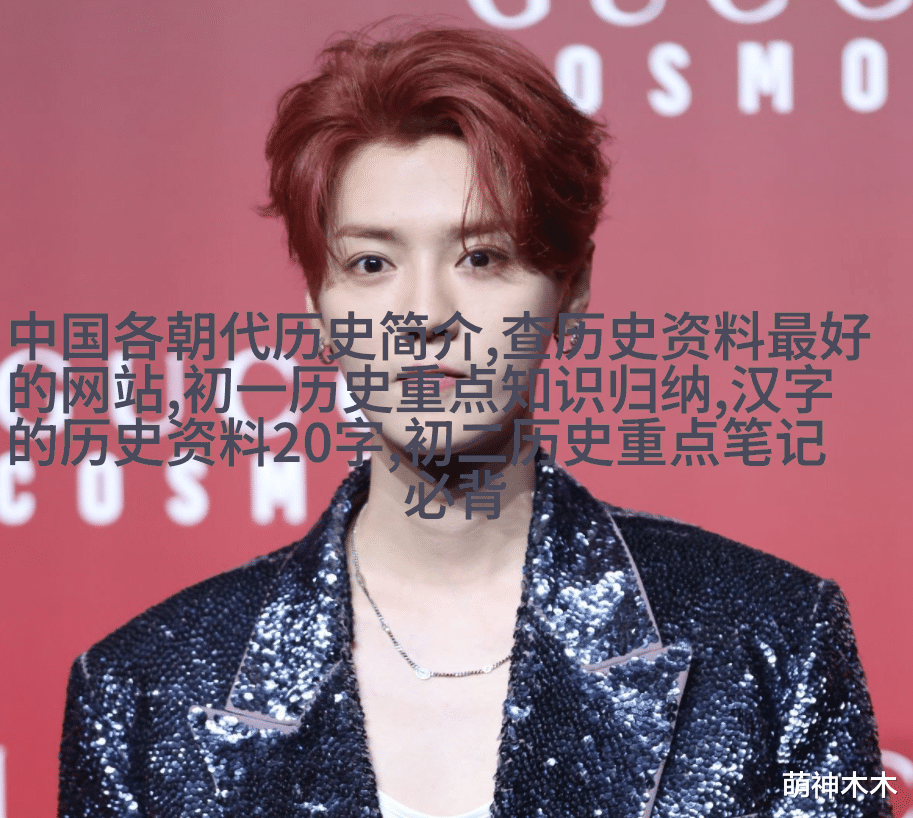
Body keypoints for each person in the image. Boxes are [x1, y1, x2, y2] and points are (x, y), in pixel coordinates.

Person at [58, 24, 890, 818]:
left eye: (481, 257)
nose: (425, 314)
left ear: (571, 287)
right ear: (318, 304)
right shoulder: (142, 690)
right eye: (371, 263)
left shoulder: (775, 639)